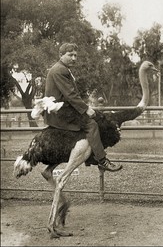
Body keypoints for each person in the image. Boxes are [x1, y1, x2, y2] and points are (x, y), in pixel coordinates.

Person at [44, 42, 122, 172]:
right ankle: (101, 160)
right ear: (61, 55)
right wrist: (86, 109)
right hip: (59, 114)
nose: (74, 58)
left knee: (96, 118)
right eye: (70, 55)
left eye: (75, 55)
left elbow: (70, 95)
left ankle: (92, 156)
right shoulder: (60, 70)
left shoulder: (62, 68)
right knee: (92, 125)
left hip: (64, 110)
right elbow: (70, 95)